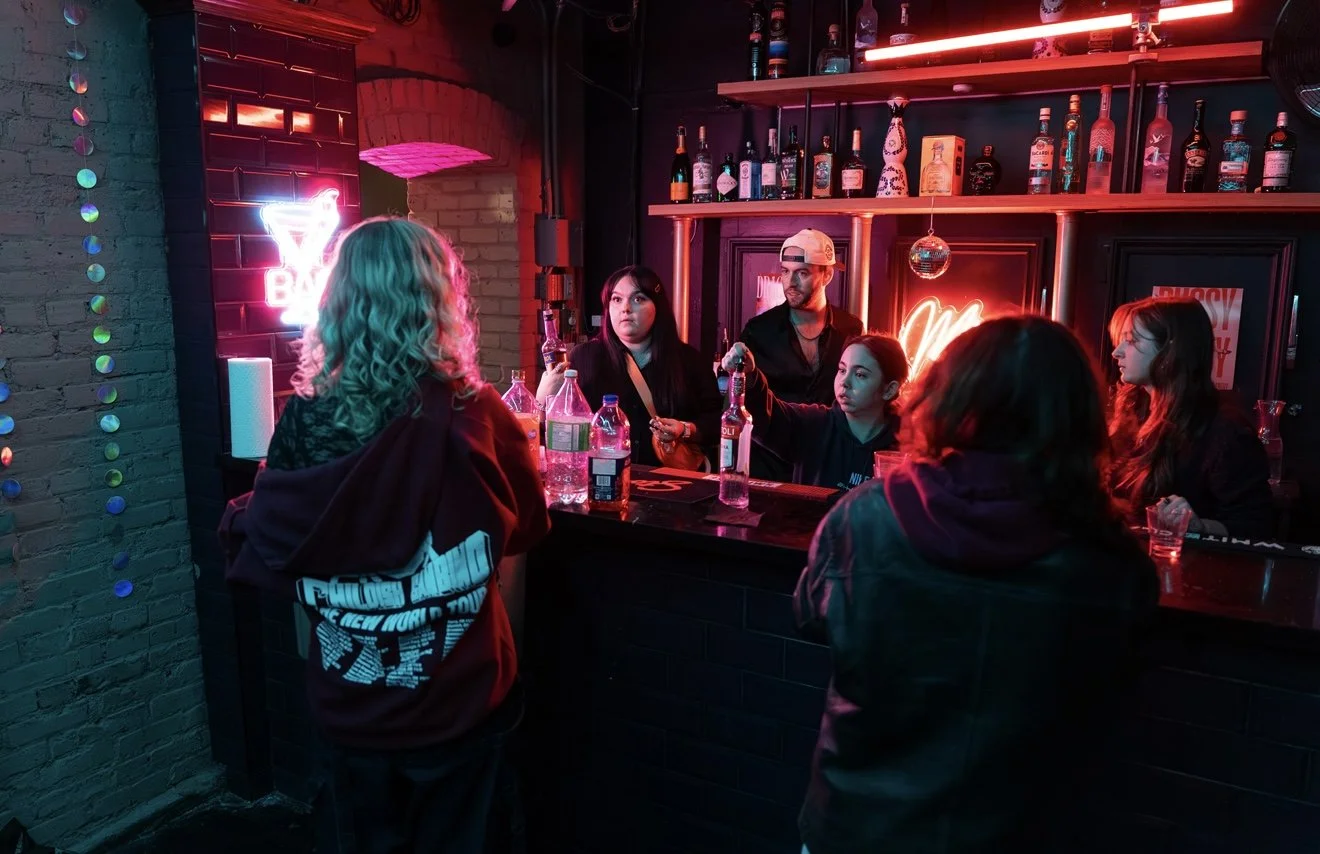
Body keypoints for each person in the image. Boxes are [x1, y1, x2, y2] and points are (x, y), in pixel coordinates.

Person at [219, 217, 549, 853]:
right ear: (437, 300)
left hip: (350, 713)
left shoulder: (300, 428)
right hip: (462, 708)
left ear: (338, 299)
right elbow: (524, 536)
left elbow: (279, 554)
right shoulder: (477, 419)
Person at [795, 316, 1158, 854]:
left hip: (858, 824)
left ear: (947, 396)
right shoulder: (1109, 558)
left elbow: (809, 616)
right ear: (1078, 414)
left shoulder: (864, 519)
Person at [1109, 295, 1274, 539]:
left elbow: (1255, 528)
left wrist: (1199, 526)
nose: (1116, 352)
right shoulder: (1130, 410)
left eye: (1131, 341)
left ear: (1171, 350)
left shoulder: (1226, 434)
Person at [537, 265, 723, 468]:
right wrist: (543, 399)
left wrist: (686, 429)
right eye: (616, 299)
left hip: (669, 482)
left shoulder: (688, 360)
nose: (625, 308)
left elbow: (717, 422)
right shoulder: (583, 358)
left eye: (638, 299)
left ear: (657, 306)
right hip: (602, 480)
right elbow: (557, 430)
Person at [739, 228, 864, 480]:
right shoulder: (759, 330)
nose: (790, 282)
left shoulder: (851, 328)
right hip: (769, 462)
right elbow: (741, 399)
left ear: (827, 275)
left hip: (827, 461)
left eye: (802, 273)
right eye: (785, 271)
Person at [720, 333, 906, 491]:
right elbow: (767, 417)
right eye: (842, 370)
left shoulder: (909, 445)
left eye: (860, 375)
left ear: (889, 389)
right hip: (811, 533)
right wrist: (750, 376)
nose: (844, 382)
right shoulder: (815, 424)